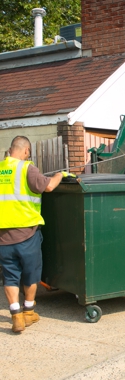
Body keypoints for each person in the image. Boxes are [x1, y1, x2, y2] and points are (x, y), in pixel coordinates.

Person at [0, 136, 65, 333]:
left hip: (3, 236)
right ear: (26, 151)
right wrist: (60, 174)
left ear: (11, 150)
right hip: (27, 234)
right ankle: (29, 312)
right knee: (31, 274)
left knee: (10, 277)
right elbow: (49, 186)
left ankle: (16, 316)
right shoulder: (27, 168)